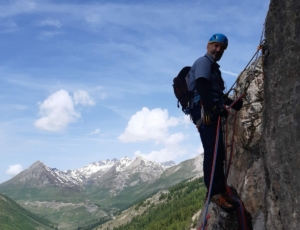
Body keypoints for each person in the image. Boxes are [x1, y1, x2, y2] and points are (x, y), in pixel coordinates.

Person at [188, 33, 243, 210]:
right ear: (208, 46)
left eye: (222, 48)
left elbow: (215, 93)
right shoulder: (204, 63)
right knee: (213, 152)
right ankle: (214, 193)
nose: (218, 50)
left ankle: (220, 189)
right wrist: (214, 108)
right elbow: (202, 85)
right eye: (216, 46)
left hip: (209, 110)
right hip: (205, 112)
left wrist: (232, 103)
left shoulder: (214, 68)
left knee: (218, 152)